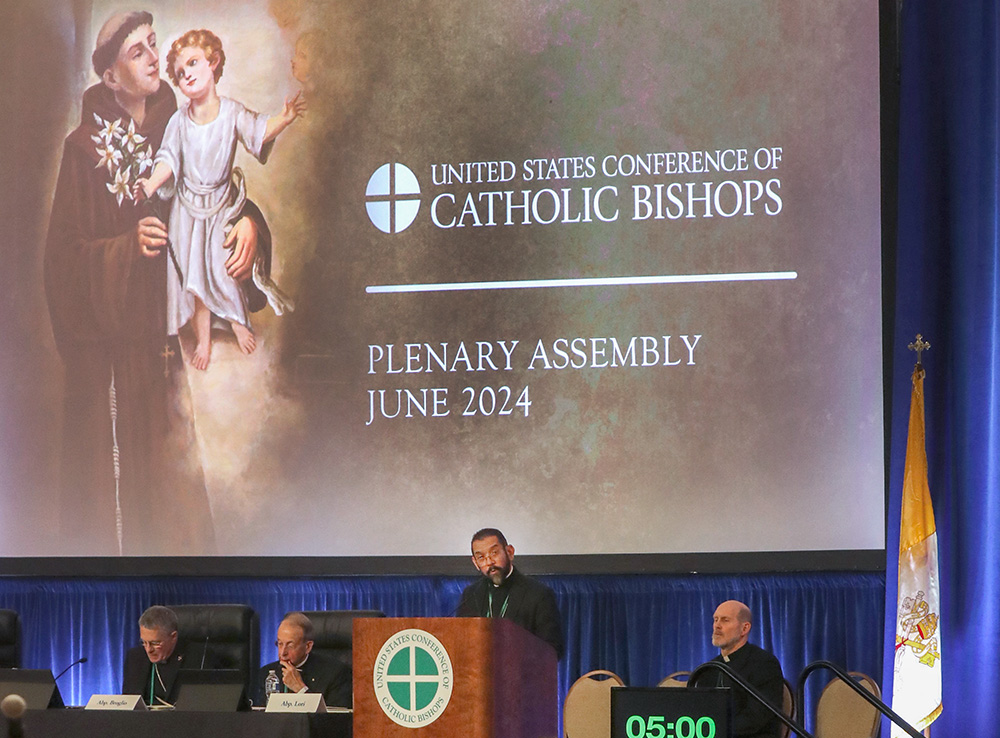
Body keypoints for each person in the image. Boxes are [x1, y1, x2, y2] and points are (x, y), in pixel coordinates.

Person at [44, 10, 272, 555]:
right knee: (123, 510)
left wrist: (250, 225)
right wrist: (125, 250)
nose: (153, 58)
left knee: (175, 507)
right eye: (137, 52)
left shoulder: (186, 119)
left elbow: (215, 194)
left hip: (162, 349)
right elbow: (62, 264)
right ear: (111, 78)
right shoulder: (83, 151)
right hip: (112, 366)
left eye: (153, 45)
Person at [136, 28, 302, 370]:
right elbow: (168, 158)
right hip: (186, 211)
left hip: (220, 208)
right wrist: (151, 184)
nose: (188, 75)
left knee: (222, 270)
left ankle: (239, 323)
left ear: (213, 63)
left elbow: (257, 131)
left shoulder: (231, 112)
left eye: (194, 63)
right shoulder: (178, 122)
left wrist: (284, 119)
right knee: (194, 279)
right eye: (181, 73)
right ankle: (205, 342)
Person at [456, 528, 565, 658]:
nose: (489, 562)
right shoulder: (471, 595)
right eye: (481, 557)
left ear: (510, 552)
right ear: (475, 563)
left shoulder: (539, 594)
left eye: (494, 553)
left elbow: (553, 649)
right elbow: (461, 644)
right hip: (478, 676)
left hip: (524, 676)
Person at [693, 600, 785, 738]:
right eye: (715, 619)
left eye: (725, 620)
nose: (717, 626)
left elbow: (756, 717)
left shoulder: (764, 663)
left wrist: (715, 730)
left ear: (745, 628)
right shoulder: (709, 669)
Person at [255, 612, 352, 708]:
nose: (282, 652)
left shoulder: (335, 673)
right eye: (280, 644)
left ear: (308, 646)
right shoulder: (266, 674)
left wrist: (300, 689)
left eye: (290, 645)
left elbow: (334, 719)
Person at [122, 606, 212, 706]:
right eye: (144, 642)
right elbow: (128, 705)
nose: (148, 649)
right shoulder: (135, 657)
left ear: (173, 637)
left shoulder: (197, 658)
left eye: (155, 643)